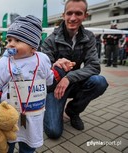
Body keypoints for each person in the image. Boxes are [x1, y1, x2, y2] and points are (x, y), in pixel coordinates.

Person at [0, 15, 73, 153]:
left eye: (18, 40)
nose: (11, 44)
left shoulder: (42, 60)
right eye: (9, 39)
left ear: (33, 47)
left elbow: (50, 79)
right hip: (9, 117)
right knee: (6, 146)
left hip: (33, 116)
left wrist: (60, 70)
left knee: (29, 147)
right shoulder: (1, 65)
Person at [41, 0, 109, 139]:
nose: (73, 18)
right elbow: (42, 69)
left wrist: (69, 77)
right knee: (53, 132)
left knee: (99, 81)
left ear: (85, 15)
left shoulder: (89, 37)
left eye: (78, 13)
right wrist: (54, 65)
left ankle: (72, 111)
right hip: (55, 87)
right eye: (69, 13)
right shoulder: (50, 40)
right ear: (63, 15)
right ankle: (48, 109)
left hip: (74, 82)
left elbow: (94, 66)